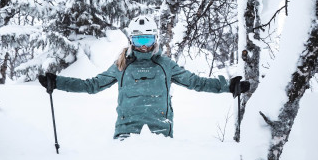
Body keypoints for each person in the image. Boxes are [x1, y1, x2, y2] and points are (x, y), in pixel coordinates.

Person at [39, 15, 250, 139]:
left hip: (160, 134)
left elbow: (196, 82)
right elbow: (92, 85)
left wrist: (228, 87)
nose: (143, 44)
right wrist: (57, 82)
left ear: (155, 38)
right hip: (126, 134)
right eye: (139, 39)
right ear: (131, 40)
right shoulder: (122, 65)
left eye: (147, 38)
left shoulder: (166, 65)